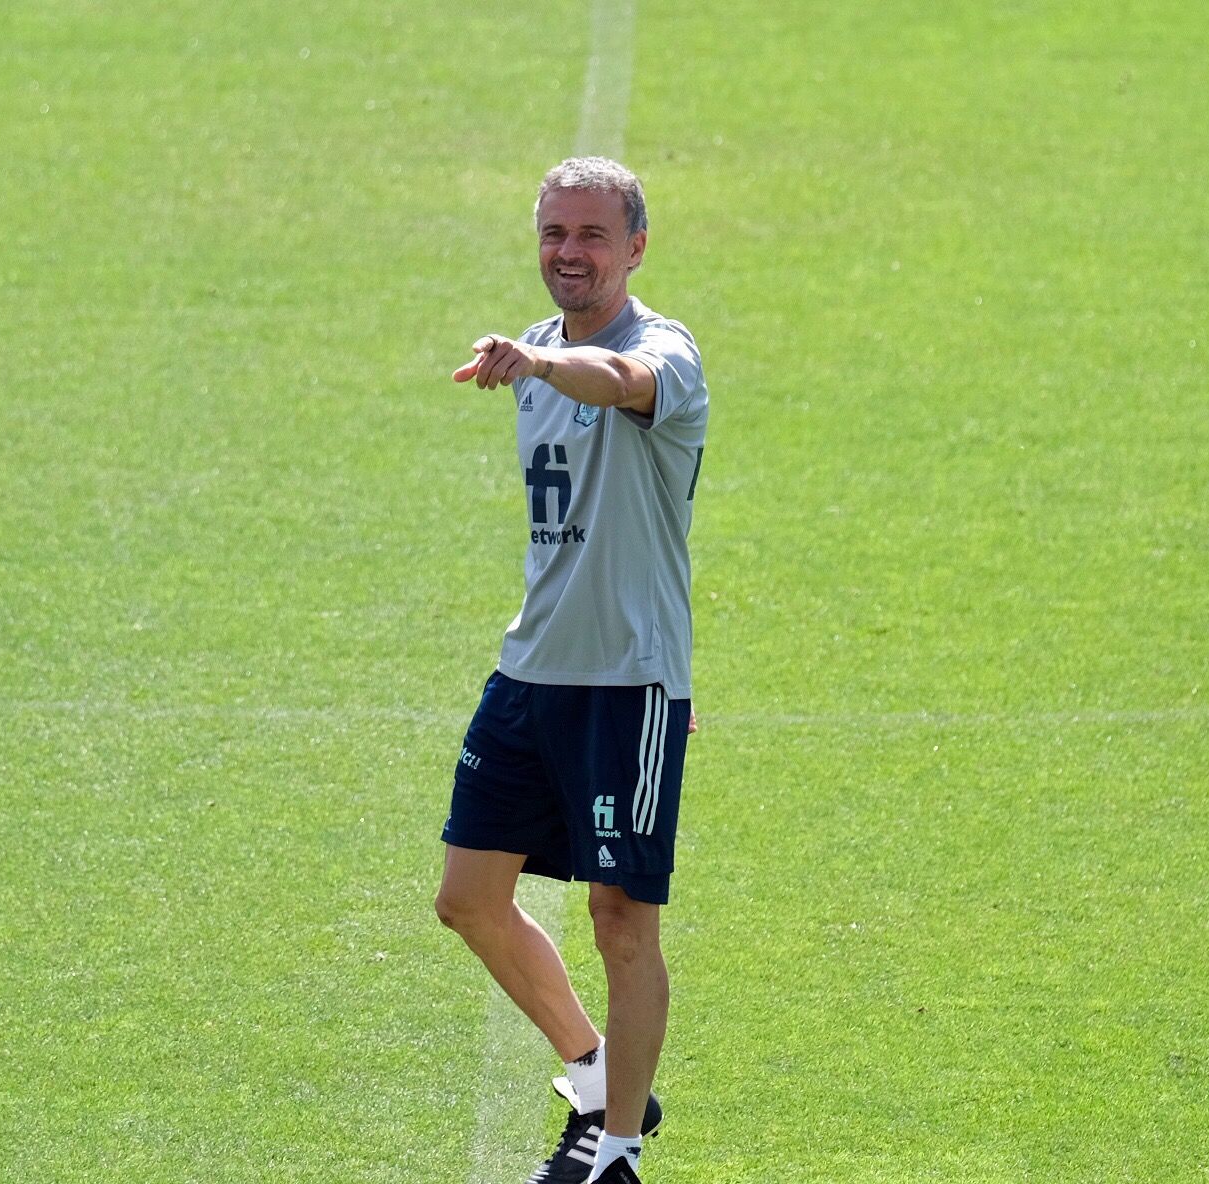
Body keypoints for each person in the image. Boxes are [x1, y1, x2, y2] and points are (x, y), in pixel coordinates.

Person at [434, 157, 707, 1184]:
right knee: (466, 895)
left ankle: (621, 1149)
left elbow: (623, 383)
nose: (569, 252)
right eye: (555, 232)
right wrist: (537, 359)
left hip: (627, 683)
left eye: (593, 235)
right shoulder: (534, 350)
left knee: (618, 915)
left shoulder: (662, 351)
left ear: (636, 246)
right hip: (532, 668)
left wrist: (543, 366)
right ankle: (598, 1075)